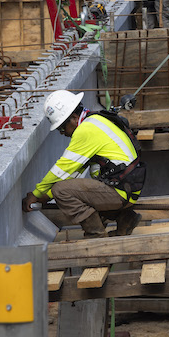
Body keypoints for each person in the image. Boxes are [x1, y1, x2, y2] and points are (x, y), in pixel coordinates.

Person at [22, 89, 145, 238]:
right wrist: (45, 196)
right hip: (127, 186)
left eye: (62, 128)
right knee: (73, 187)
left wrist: (36, 194)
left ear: (73, 118)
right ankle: (125, 218)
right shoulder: (95, 120)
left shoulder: (85, 131)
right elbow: (74, 172)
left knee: (61, 191)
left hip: (121, 191)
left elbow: (62, 169)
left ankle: (96, 235)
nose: (63, 133)